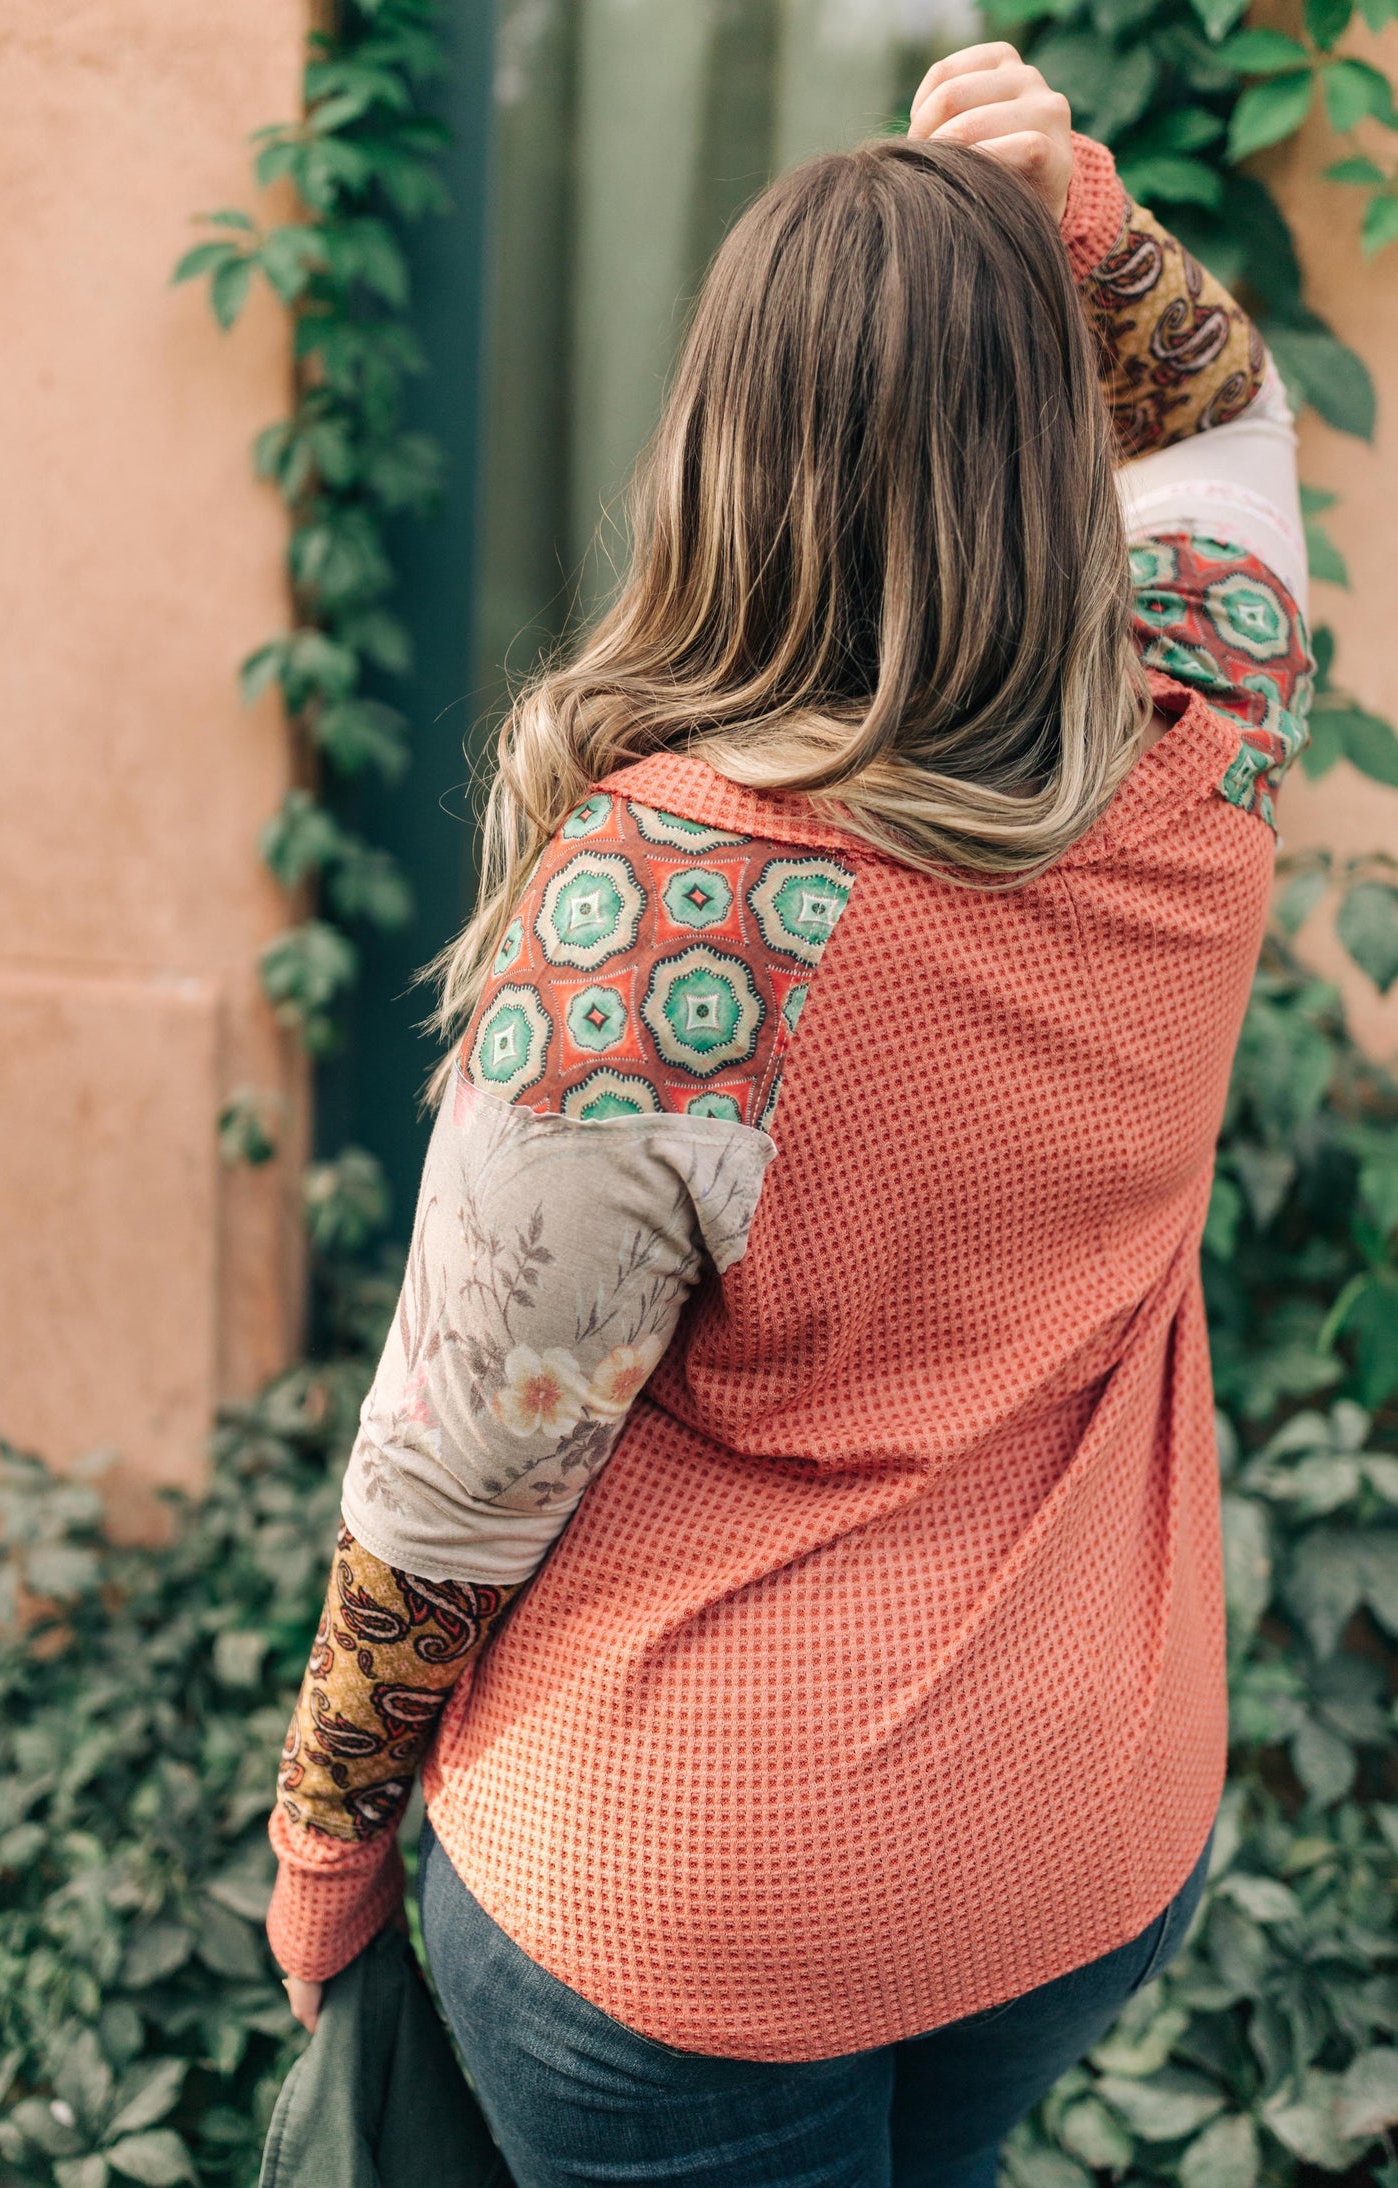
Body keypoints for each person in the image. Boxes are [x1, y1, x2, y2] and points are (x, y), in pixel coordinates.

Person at [264, 43, 1310, 2188]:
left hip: (688, 1919)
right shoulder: (1210, 737)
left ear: (722, 447)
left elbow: (449, 1492)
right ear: (1047, 450)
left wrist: (322, 1849)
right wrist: (1081, 220)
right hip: (1082, 1848)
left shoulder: (658, 910)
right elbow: (1226, 421)